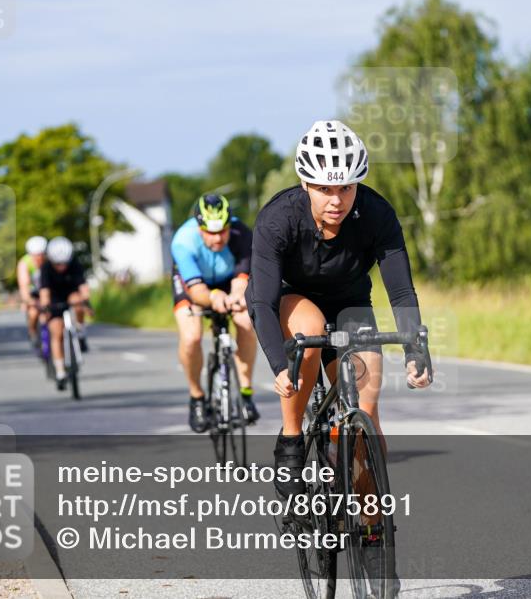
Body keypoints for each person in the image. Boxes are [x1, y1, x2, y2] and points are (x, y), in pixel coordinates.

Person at [246, 120, 433, 500]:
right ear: (305, 184)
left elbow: (400, 290)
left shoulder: (377, 214)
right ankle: (291, 439)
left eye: (346, 188)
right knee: (310, 330)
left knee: (367, 409)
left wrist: (416, 350)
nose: (336, 200)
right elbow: (262, 302)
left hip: (351, 302)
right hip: (292, 297)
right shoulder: (279, 219)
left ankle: (370, 519)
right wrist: (280, 366)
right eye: (324, 189)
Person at [170, 193, 258, 433]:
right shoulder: (183, 241)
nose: (218, 238)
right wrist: (213, 297)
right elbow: (196, 291)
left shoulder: (242, 234)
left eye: (223, 231)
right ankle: (197, 398)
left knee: (246, 322)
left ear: (230, 225)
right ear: (199, 228)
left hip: (228, 280)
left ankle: (246, 394)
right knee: (191, 337)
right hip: (194, 284)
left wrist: (236, 297)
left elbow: (241, 281)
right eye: (210, 232)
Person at [38, 237, 91, 388]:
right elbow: (44, 292)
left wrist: (86, 301)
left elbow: (83, 287)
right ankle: (60, 370)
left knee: (78, 302)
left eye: (64, 263)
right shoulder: (46, 268)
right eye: (58, 264)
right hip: (54, 299)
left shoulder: (75, 264)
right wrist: (46, 308)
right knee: (56, 331)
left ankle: (80, 330)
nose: (62, 267)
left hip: (71, 294)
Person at [17, 236, 48, 347]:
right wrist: (28, 301)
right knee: (33, 313)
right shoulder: (24, 263)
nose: (39, 258)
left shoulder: (49, 261)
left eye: (41, 255)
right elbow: (24, 286)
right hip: (32, 292)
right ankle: (32, 332)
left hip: (46, 290)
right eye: (36, 256)